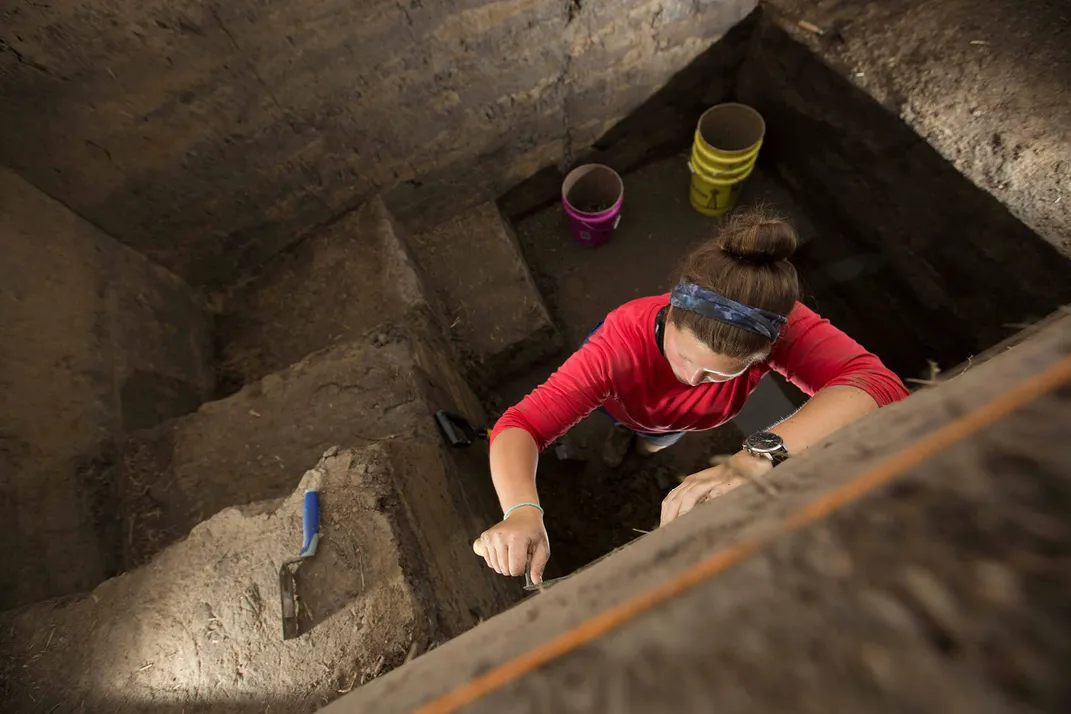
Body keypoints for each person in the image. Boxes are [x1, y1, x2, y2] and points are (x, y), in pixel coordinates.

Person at [474, 210, 909, 584]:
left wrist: (756, 457)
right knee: (629, 426)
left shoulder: (778, 323)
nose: (693, 379)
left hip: (683, 423)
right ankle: (624, 444)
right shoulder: (618, 345)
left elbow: (880, 386)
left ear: (766, 352)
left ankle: (643, 450)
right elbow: (522, 424)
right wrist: (523, 511)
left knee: (659, 439)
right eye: (683, 357)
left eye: (723, 373)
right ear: (671, 314)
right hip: (624, 404)